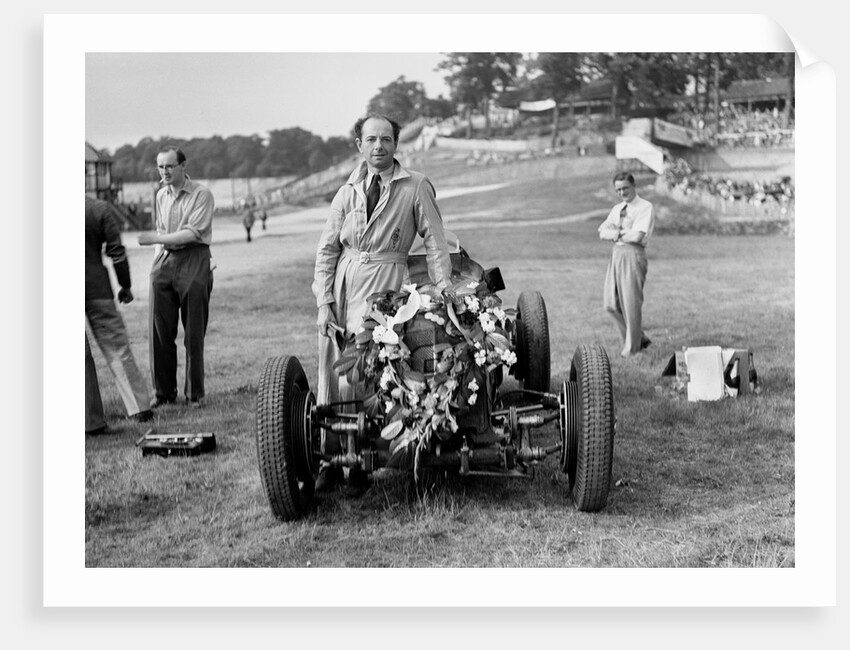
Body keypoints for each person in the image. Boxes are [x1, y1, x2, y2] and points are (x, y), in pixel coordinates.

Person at [312, 113, 453, 493]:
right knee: (330, 372)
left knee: (364, 372)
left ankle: (359, 462)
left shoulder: (416, 186)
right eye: (371, 139)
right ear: (359, 145)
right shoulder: (347, 192)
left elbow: (435, 243)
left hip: (384, 287)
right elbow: (327, 249)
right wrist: (324, 302)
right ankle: (329, 458)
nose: (379, 147)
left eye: (386, 139)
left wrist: (444, 291)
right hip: (342, 285)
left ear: (396, 144)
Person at [138, 146, 214, 408]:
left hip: (194, 257)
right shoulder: (161, 195)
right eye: (160, 167)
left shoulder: (201, 194)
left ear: (183, 166)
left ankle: (195, 394)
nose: (165, 172)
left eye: (170, 166)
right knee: (159, 331)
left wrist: (155, 239)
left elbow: (192, 234)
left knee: (193, 333)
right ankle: (164, 393)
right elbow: (162, 229)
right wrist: (158, 259)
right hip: (166, 259)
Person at [85, 196, 152, 428]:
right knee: (117, 347)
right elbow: (116, 251)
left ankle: (89, 420)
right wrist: (125, 285)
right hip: (97, 287)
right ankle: (139, 408)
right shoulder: (99, 208)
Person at [598, 172, 655, 357]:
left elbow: (638, 236)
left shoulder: (645, 207)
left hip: (633, 254)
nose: (622, 192)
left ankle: (632, 349)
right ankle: (639, 338)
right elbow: (602, 231)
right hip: (617, 254)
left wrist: (616, 232)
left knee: (630, 303)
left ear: (634, 186)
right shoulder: (617, 208)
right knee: (610, 304)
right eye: (618, 189)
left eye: (625, 188)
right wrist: (621, 233)